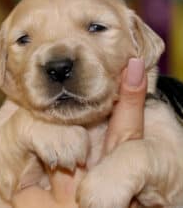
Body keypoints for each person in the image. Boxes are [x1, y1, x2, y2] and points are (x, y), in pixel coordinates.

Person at [13, 58, 147, 208]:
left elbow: (173, 172)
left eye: (95, 31)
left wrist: (130, 162)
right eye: (24, 40)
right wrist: (27, 125)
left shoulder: (154, 107)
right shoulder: (18, 109)